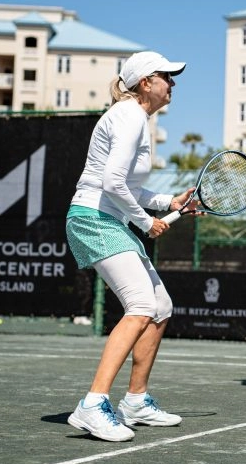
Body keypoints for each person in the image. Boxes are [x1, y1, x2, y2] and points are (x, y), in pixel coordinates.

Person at [65, 51, 197, 442]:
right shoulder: (130, 116)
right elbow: (111, 184)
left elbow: (132, 188)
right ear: (145, 83)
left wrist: (170, 203)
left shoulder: (138, 120)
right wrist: (147, 223)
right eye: (166, 77)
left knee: (160, 308)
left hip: (109, 219)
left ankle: (135, 401)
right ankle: (92, 404)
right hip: (93, 218)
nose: (172, 83)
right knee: (141, 306)